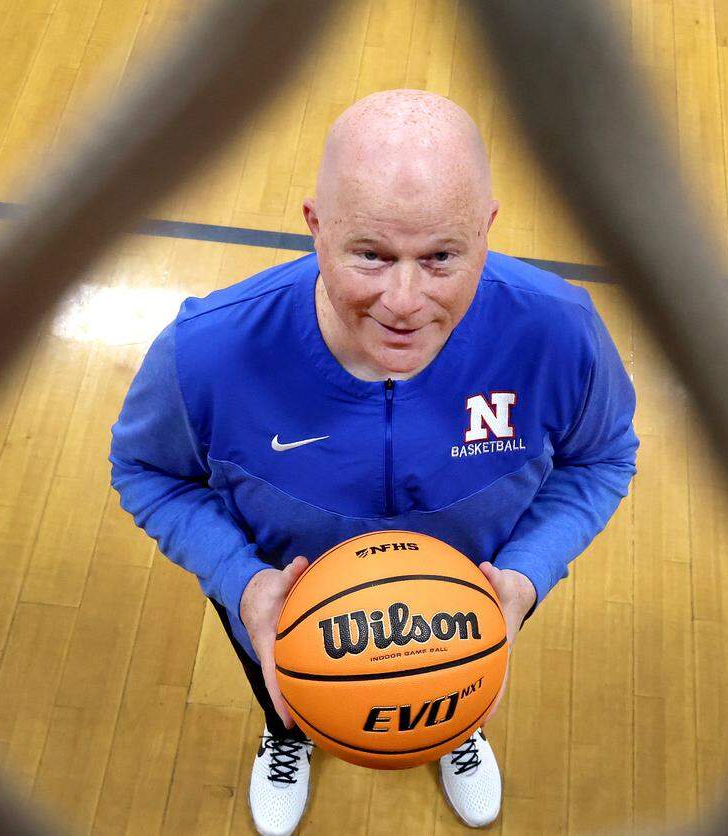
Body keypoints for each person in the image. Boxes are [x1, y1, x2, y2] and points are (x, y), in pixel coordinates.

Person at [109, 89, 639, 836]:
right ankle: (287, 733)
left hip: (470, 611)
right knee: (283, 691)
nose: (404, 300)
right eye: (370, 255)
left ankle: (455, 724)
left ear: (486, 231)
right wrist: (244, 582)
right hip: (283, 611)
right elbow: (148, 473)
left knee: (449, 684)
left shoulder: (559, 333)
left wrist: (524, 576)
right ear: (315, 228)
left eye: (442, 258)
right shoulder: (208, 352)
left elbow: (603, 456)